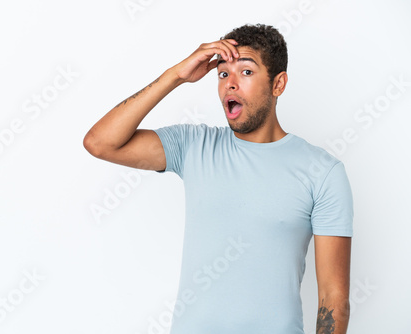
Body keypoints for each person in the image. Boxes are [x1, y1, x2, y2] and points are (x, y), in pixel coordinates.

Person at [83, 23, 353, 334]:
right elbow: (100, 142)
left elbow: (333, 299)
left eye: (246, 72)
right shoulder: (194, 146)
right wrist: (175, 76)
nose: (230, 84)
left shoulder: (323, 172)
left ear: (278, 84)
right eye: (223, 73)